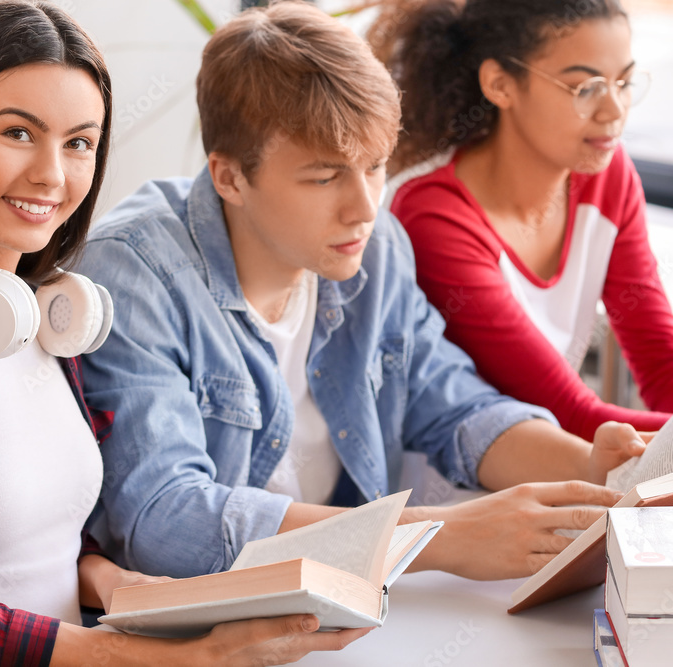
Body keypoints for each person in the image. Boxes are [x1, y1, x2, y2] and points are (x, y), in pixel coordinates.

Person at [0, 2, 371, 664]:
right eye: (18, 133)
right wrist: (183, 658)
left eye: (79, 142)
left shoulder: (47, 319)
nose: (52, 175)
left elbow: (43, 539)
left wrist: (119, 585)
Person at [76, 0, 644, 584]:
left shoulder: (375, 248)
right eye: (324, 177)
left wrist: (595, 468)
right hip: (205, 626)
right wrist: (432, 537)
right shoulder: (136, 275)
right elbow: (165, 522)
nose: (364, 208)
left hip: (344, 607)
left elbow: (454, 406)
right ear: (229, 177)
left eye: (374, 167)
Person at [375, 0, 673, 441]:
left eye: (623, 82)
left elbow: (659, 360)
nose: (614, 111)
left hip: (567, 471)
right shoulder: (433, 215)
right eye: (585, 87)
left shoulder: (606, 173)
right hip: (461, 497)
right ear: (500, 84)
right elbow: (568, 412)